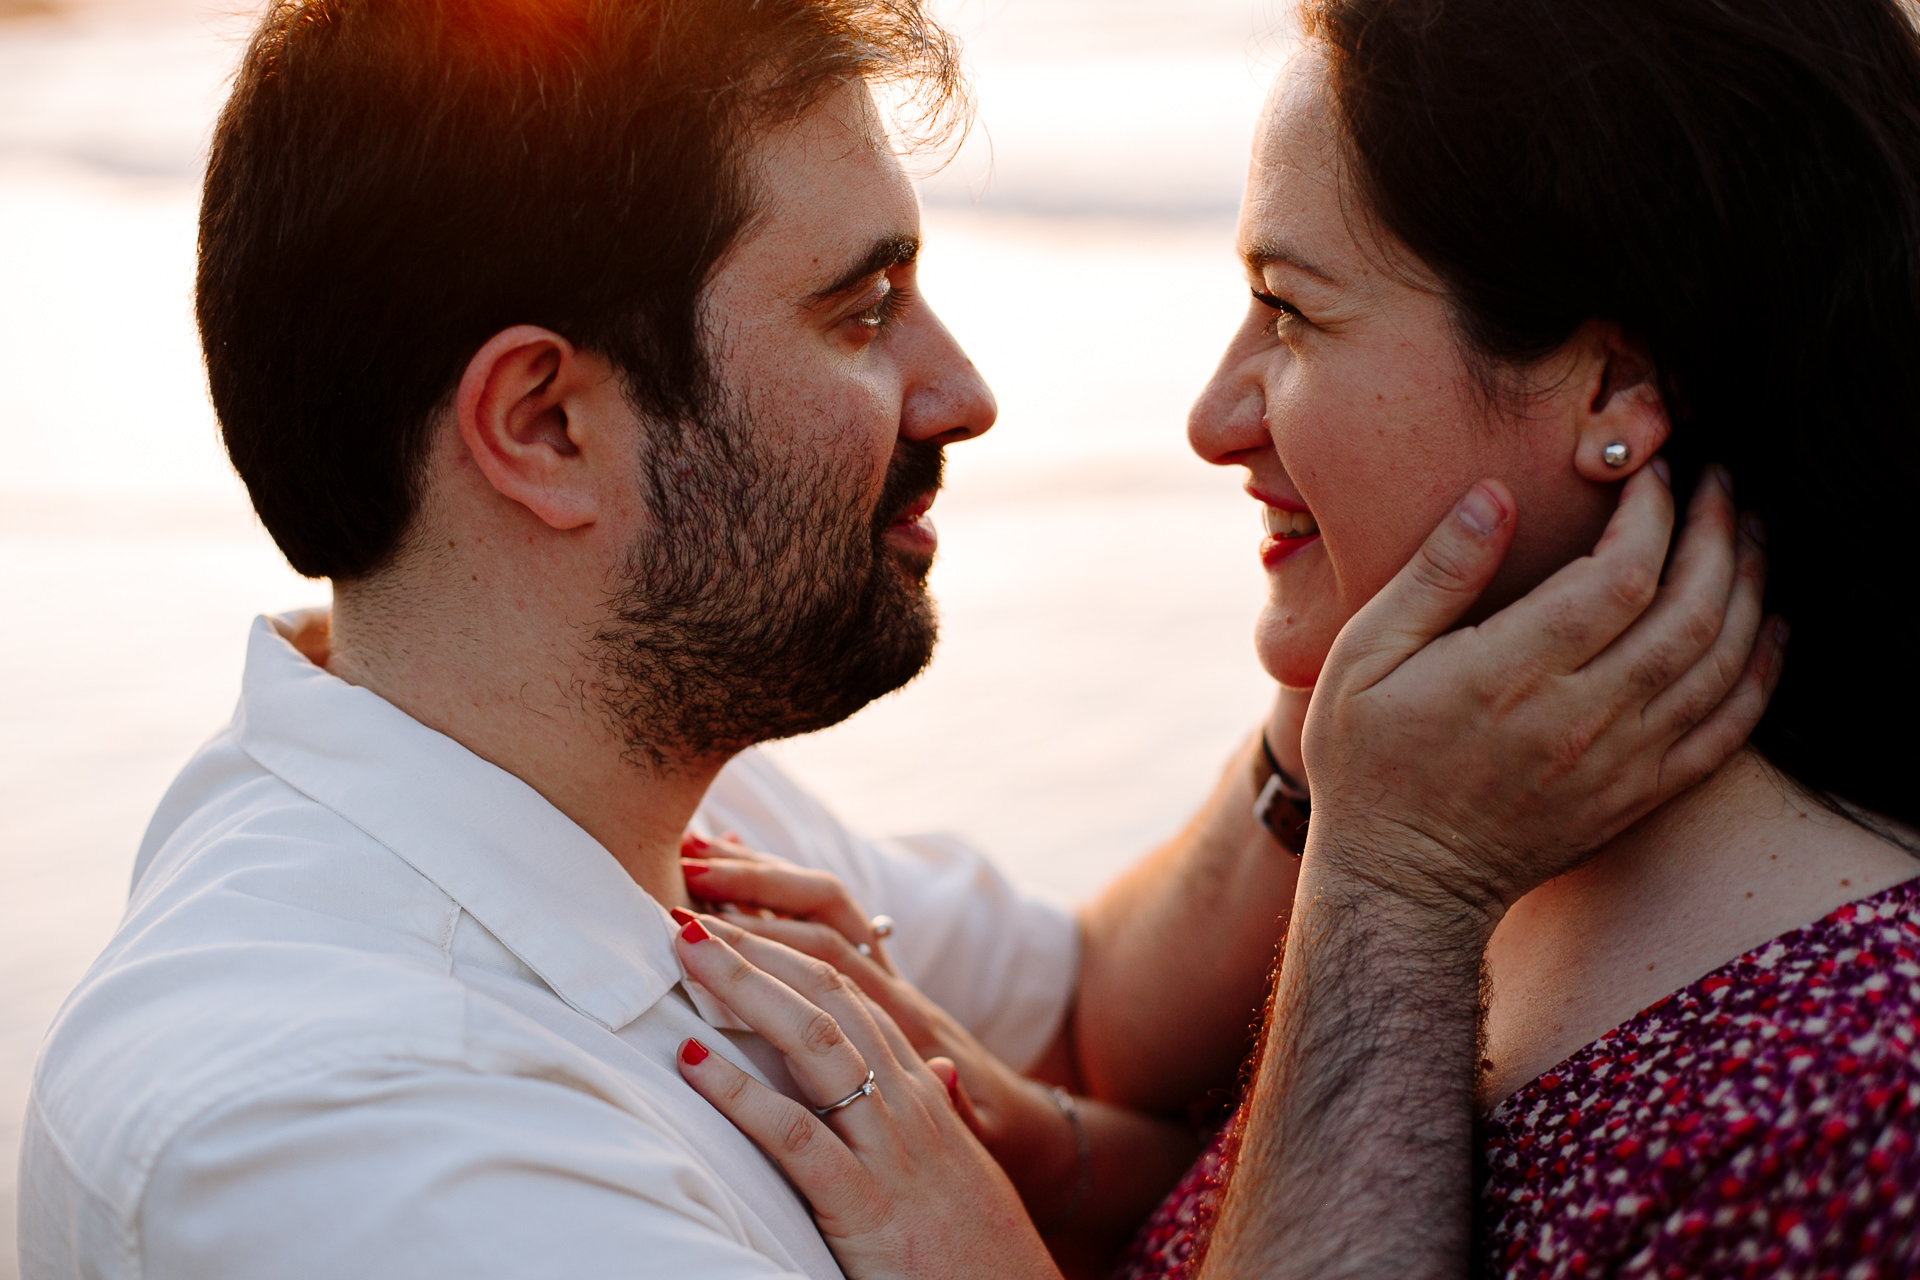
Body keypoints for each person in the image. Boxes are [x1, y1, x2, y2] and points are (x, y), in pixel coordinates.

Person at [15, 4, 1774, 1280]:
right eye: (861, 309)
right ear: (544, 425)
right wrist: (1397, 887)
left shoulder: (636, 809)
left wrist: (1326, 755)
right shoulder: (357, 1144)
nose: (965, 392)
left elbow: (1083, 1018)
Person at [680, 0, 1920, 1277]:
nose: (1214, 419)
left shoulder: (1851, 1099)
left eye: (1291, 311)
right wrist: (1049, 1162)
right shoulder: (1477, 803)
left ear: (1608, 390)